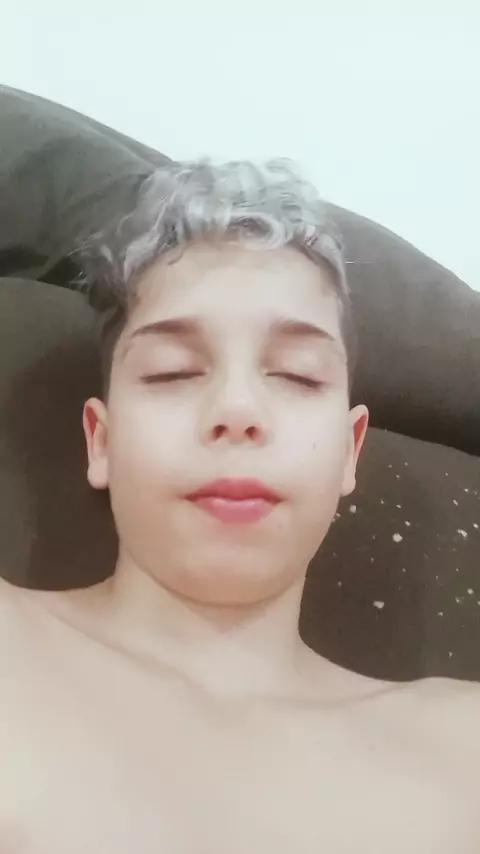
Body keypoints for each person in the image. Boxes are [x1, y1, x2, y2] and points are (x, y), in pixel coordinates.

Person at [1, 159, 479, 854]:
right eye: (173, 371)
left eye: (297, 375)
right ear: (100, 441)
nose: (236, 409)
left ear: (350, 453)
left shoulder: (462, 748)